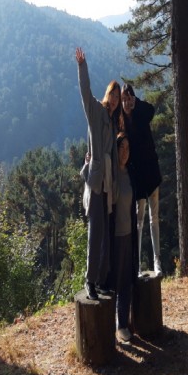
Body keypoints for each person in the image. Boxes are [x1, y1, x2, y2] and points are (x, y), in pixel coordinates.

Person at [76, 47, 120, 300]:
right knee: (95, 236)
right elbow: (85, 93)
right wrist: (82, 67)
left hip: (107, 185)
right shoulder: (96, 112)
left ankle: (102, 281)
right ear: (107, 94)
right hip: (95, 183)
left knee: (104, 236)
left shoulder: (113, 122)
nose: (114, 99)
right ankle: (90, 281)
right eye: (112, 94)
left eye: (117, 97)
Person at [120, 83, 162, 276]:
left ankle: (157, 262)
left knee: (154, 219)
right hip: (137, 178)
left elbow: (151, 110)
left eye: (129, 98)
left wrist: (137, 103)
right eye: (123, 99)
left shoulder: (141, 114)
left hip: (151, 174)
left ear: (133, 98)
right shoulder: (122, 123)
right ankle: (136, 265)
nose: (126, 103)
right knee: (139, 220)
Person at [112, 132, 139, 342]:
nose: (124, 152)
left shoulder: (130, 173)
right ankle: (111, 326)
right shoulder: (112, 174)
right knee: (115, 282)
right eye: (121, 147)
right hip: (115, 236)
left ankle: (122, 324)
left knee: (126, 282)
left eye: (128, 148)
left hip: (129, 234)